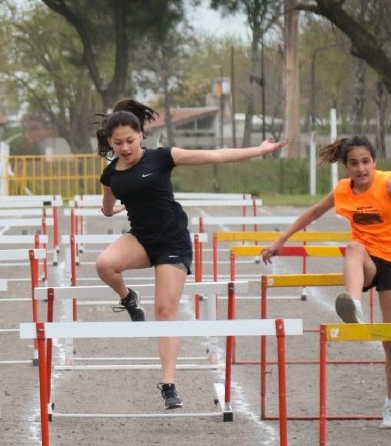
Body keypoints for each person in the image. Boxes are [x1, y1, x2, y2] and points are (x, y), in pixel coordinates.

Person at [94, 99, 287, 410]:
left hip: (172, 241)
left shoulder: (163, 157)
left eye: (130, 140)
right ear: (109, 142)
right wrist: (110, 210)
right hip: (142, 239)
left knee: (165, 310)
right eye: (118, 143)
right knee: (104, 265)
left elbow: (216, 155)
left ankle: (169, 384)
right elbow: (106, 205)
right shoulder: (111, 174)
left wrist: (258, 150)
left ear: (141, 135)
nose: (125, 148)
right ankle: (128, 298)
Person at [261, 135, 391, 429]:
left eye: (366, 162)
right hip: (368, 261)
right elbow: (313, 212)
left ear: (375, 162)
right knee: (354, 248)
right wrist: (280, 240)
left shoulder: (388, 183)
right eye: (354, 163)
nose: (361, 169)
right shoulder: (344, 191)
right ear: (346, 167)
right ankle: (353, 303)